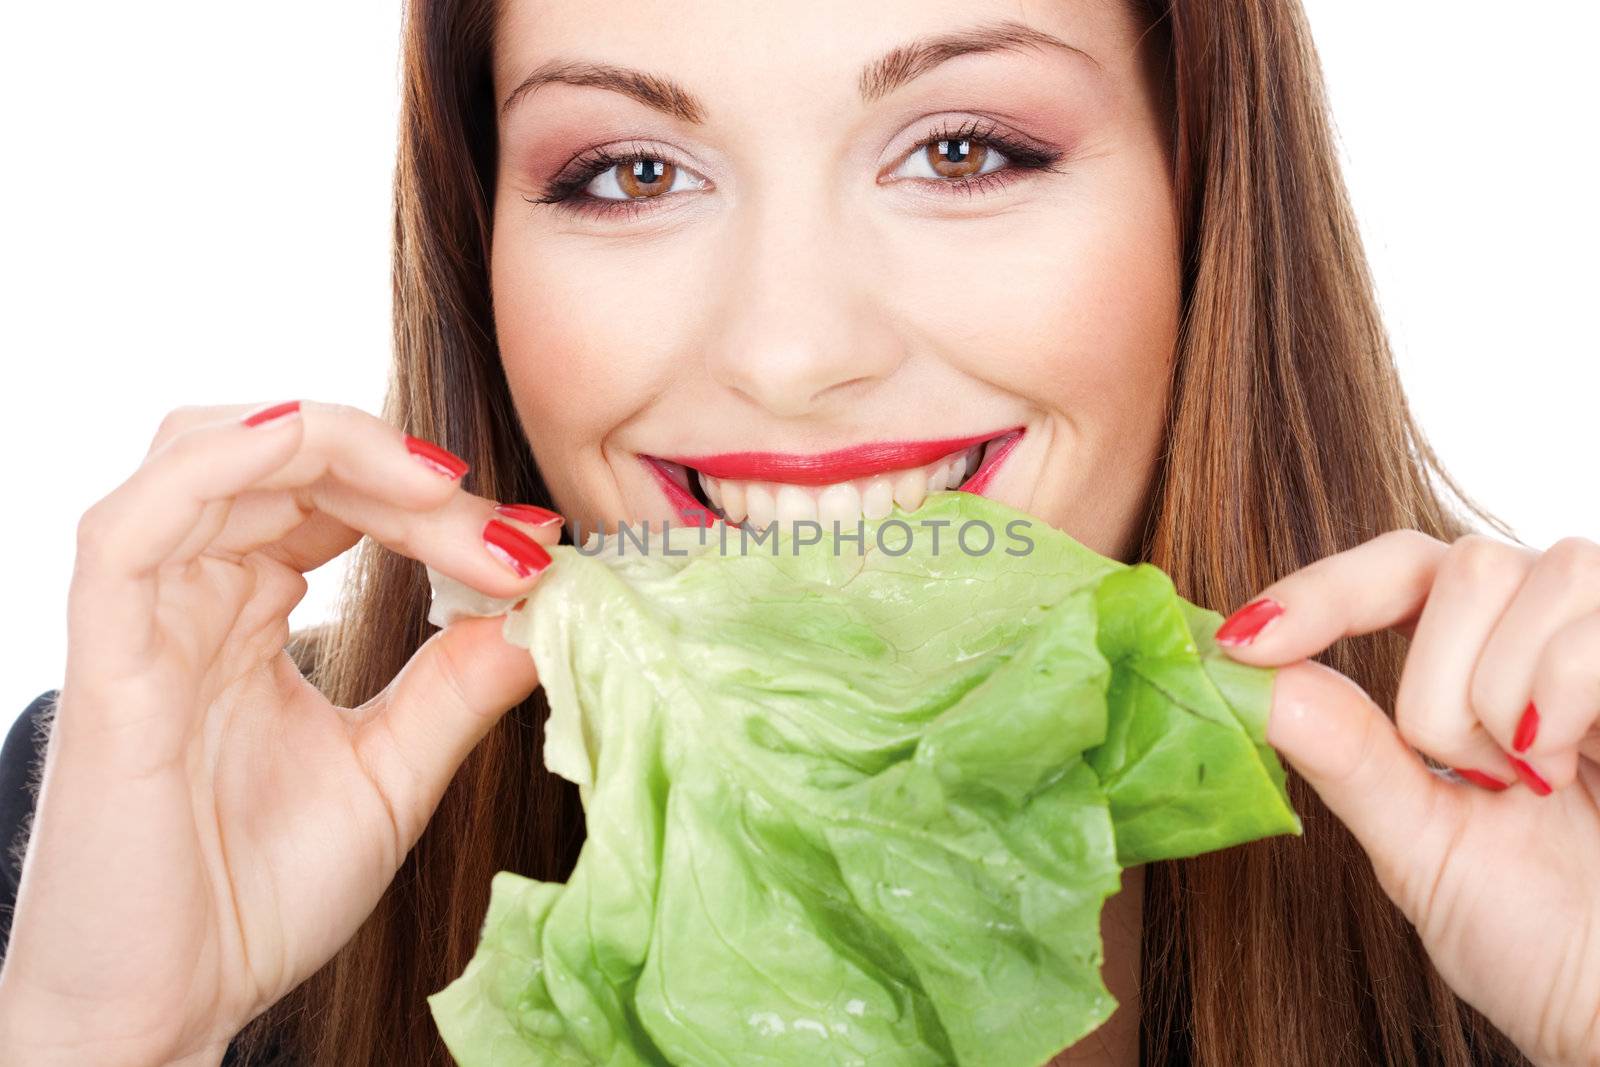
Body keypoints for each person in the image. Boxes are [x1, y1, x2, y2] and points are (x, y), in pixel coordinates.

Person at [0, 0, 1595, 1063]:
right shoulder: (136, 838)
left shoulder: (1546, 866)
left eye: (964, 150)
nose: (786, 348)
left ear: (1204, 193)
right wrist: (102, 1038)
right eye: (629, 171)